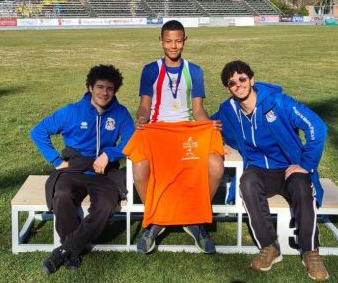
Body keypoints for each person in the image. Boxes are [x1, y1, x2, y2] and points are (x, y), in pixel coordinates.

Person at [213, 60, 329, 281]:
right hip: (259, 170)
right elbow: (208, 125)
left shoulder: (278, 102)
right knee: (247, 182)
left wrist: (306, 164)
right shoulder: (227, 110)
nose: (238, 85)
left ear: (252, 79)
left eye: (242, 79)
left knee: (302, 186)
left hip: (289, 168)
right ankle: (269, 246)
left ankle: (310, 251)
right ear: (228, 88)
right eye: (232, 82)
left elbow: (317, 126)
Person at [30, 64, 134, 274]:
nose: (104, 93)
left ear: (115, 90)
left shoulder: (120, 113)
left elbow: (132, 140)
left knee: (106, 204)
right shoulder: (72, 112)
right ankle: (73, 250)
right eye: (100, 87)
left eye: (110, 89)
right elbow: (38, 131)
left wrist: (109, 154)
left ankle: (66, 250)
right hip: (74, 168)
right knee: (61, 196)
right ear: (90, 87)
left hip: (105, 171)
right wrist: (56, 161)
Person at [132, 19, 224, 255]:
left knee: (216, 165)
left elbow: (198, 109)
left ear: (185, 41)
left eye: (178, 41)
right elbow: (145, 105)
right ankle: (155, 218)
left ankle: (195, 218)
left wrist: (208, 125)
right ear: (160, 41)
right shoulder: (151, 70)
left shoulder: (194, 71)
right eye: (168, 41)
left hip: (187, 133)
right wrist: (141, 119)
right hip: (158, 132)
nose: (173, 46)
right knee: (140, 168)